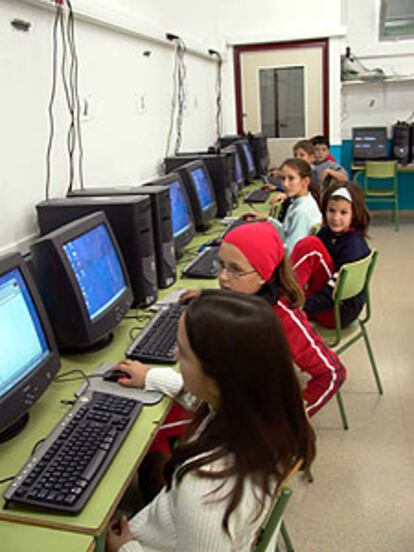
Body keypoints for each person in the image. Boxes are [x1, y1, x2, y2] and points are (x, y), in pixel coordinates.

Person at [106, 290, 316, 552]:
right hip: (169, 529)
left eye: (182, 353)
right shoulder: (268, 411)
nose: (173, 354)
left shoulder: (206, 493)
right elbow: (205, 396)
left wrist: (125, 549)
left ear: (220, 378)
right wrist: (149, 376)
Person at [116, 222, 345, 420]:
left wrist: (294, 418)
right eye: (221, 265)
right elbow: (240, 294)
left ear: (264, 275)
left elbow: (333, 373)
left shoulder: (282, 319)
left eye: (235, 269)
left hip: (239, 419)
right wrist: (209, 295)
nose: (223, 277)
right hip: (229, 405)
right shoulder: (250, 294)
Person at [290, 181, 371, 328]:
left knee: (310, 245)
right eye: (331, 210)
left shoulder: (354, 246)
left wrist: (303, 310)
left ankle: (287, 299)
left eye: (343, 212)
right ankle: (285, 294)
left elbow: (333, 291)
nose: (335, 218)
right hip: (328, 300)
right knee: (310, 244)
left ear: (355, 214)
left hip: (337, 310)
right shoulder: (327, 232)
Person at [251, 158, 322, 254]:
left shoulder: (301, 212)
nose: (285, 184)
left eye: (291, 179)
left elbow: (291, 252)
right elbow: (286, 232)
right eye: (283, 178)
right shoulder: (300, 202)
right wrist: (268, 220)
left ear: (305, 181)